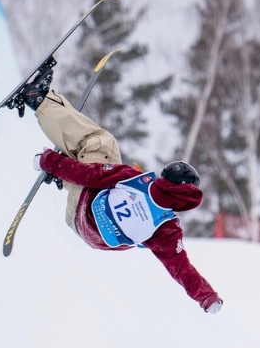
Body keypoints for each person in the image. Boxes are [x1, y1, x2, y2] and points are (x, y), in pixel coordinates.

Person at [16, 69, 223, 313]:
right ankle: (67, 168)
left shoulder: (133, 179)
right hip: (84, 230)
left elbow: (89, 175)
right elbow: (181, 268)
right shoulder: (167, 229)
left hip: (84, 203)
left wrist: (48, 161)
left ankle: (38, 99)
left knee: (102, 143)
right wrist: (206, 297)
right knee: (95, 169)